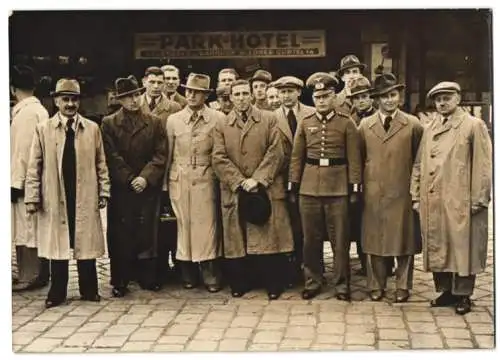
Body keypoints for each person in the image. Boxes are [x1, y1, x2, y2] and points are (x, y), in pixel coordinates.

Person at [24, 78, 110, 308]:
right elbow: (35, 165)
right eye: (65, 99)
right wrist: (32, 196)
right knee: (58, 242)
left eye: (74, 99)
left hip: (84, 190)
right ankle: (57, 291)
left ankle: (89, 288)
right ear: (56, 101)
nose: (70, 104)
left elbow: (101, 162)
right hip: (55, 191)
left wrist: (104, 190)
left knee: (85, 240)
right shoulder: (44, 129)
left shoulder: (92, 129)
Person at [411, 81, 492, 315]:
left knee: (462, 247)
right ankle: (445, 290)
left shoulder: (473, 125)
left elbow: (483, 165)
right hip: (434, 198)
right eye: (438, 99)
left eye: (447, 97)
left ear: (458, 98)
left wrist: (479, 198)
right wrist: (416, 194)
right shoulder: (431, 126)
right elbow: (419, 163)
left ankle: (463, 295)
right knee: (439, 245)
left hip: (460, 198)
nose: (442, 103)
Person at [212, 79, 293, 300]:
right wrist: (239, 180)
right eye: (236, 95)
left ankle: (273, 284)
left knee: (269, 237)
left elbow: (276, 152)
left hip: (264, 187)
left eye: (245, 93)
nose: (241, 98)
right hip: (236, 189)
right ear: (230, 97)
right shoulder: (221, 124)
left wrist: (257, 179)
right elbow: (218, 157)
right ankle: (240, 283)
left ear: (253, 94)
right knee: (237, 238)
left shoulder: (269, 119)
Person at [289, 72, 362, 301]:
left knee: (340, 239)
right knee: (311, 239)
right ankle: (313, 280)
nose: (321, 101)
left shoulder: (346, 123)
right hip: (309, 188)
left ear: (334, 97)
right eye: (318, 97)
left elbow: (355, 159)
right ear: (313, 98)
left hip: (337, 187)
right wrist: (294, 185)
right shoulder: (305, 123)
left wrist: (354, 188)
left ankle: (341, 284)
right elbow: (296, 157)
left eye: (326, 96)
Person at [358, 73, 423, 303]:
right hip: (374, 191)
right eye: (384, 96)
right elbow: (360, 157)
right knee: (374, 240)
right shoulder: (365, 126)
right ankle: (376, 285)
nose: (389, 100)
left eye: (393, 95)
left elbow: (419, 160)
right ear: (377, 100)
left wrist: (416, 191)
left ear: (400, 97)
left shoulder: (413, 124)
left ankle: (403, 286)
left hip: (402, 191)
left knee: (404, 240)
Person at [101, 75, 167, 297]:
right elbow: (111, 156)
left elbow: (160, 154)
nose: (134, 100)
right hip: (123, 189)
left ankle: (147, 276)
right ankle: (120, 279)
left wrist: (145, 178)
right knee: (121, 234)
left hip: (147, 187)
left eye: (136, 95)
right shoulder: (109, 123)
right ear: (120, 100)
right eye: (128, 97)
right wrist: (129, 179)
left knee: (147, 231)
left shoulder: (155, 122)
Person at [165, 73, 225, 292]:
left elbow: (220, 151)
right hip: (179, 177)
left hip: (206, 176)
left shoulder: (217, 118)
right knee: (184, 225)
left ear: (205, 95)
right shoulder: (174, 120)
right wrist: (165, 185)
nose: (190, 95)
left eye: (196, 92)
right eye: (188, 91)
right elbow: (168, 154)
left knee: (207, 226)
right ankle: (187, 272)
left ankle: (210, 273)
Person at [140, 66, 182, 285]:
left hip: (164, 171)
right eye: (152, 82)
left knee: (165, 224)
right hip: (140, 174)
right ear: (144, 81)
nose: (156, 86)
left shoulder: (174, 108)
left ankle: (165, 268)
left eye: (160, 82)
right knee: (143, 223)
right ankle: (143, 270)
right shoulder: (135, 105)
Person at [10, 65, 50, 291]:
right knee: (30, 228)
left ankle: (30, 275)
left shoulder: (25, 114)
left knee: (26, 229)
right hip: (33, 179)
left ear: (13, 88)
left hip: (24, 181)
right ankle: (36, 273)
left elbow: (23, 152)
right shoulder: (38, 110)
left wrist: (16, 183)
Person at [273, 75, 315, 287]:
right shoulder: (271, 118)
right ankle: (290, 271)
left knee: (308, 227)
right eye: (283, 92)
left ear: (299, 92)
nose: (286, 95)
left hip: (309, 177)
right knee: (287, 226)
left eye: (291, 91)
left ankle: (312, 270)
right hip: (281, 179)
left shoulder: (312, 113)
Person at [346, 76, 376, 276]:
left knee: (375, 222)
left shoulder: (376, 118)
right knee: (357, 222)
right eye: (356, 98)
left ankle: (382, 265)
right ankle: (364, 264)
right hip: (355, 176)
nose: (361, 101)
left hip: (374, 176)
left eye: (364, 97)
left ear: (371, 98)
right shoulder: (349, 119)